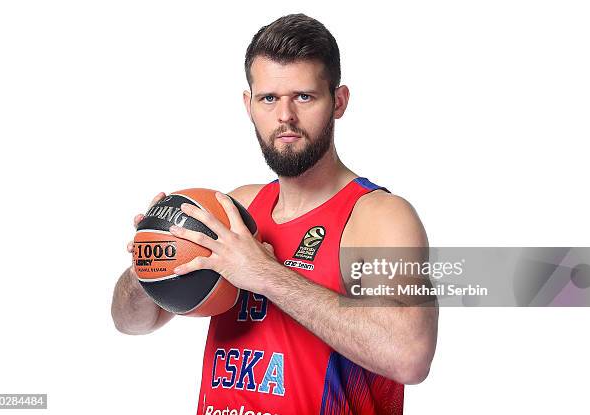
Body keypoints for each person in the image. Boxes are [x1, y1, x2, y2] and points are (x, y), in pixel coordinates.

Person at [111, 13, 438, 415]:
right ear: (249, 105)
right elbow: (131, 322)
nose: (284, 116)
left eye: (303, 96)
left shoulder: (379, 218)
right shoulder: (234, 210)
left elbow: (410, 356)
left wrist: (265, 275)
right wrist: (150, 262)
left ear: (338, 102)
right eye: (269, 98)